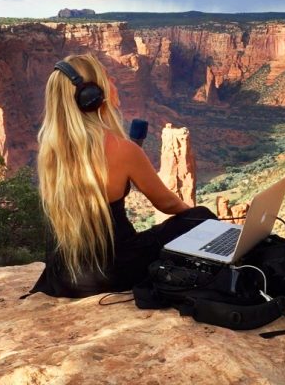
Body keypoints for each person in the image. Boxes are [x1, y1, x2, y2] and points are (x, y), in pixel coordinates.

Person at [25, 53, 216, 299]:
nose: (113, 80)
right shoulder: (122, 149)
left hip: (62, 276)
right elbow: (168, 204)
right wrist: (192, 218)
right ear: (91, 96)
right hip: (111, 273)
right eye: (106, 77)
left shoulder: (51, 148)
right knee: (203, 217)